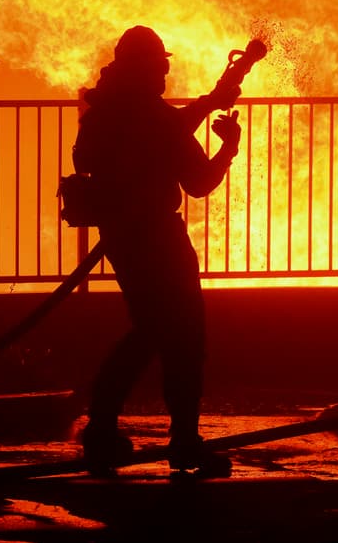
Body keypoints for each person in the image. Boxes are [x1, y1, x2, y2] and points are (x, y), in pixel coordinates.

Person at [72, 25, 242, 477]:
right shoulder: (154, 118)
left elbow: (157, 133)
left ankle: (101, 430)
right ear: (149, 69)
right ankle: (184, 441)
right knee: (185, 338)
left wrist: (208, 101)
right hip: (161, 239)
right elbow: (199, 181)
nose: (166, 74)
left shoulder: (103, 113)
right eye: (162, 66)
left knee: (147, 331)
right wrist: (228, 147)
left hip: (123, 238)